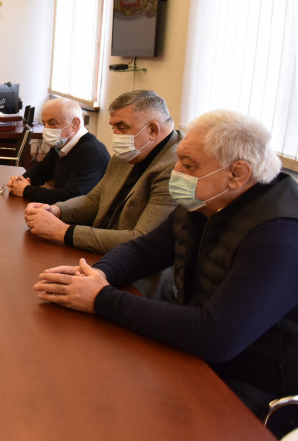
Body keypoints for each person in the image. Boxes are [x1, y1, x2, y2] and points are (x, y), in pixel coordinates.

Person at [33, 110, 298, 433]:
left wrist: (101, 299)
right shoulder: (207, 201)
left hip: (254, 385)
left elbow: (216, 336)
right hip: (198, 356)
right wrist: (98, 275)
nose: (176, 172)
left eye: (188, 165)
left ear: (237, 173)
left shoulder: (280, 232)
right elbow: (144, 250)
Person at [23, 90, 183, 254]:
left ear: (153, 130)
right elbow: (96, 199)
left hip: (137, 273)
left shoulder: (177, 169)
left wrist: (62, 231)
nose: (116, 136)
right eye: (113, 127)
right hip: (102, 253)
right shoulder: (130, 153)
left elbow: (142, 240)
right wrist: (57, 210)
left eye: (122, 127)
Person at [6, 98, 109, 204]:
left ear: (75, 123)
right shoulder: (63, 142)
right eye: (44, 123)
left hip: (86, 217)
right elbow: (44, 169)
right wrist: (21, 180)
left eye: (53, 123)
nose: (46, 129)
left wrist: (26, 190)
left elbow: (70, 198)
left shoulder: (91, 153)